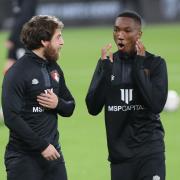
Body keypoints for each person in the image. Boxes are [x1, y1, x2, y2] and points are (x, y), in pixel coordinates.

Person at [86, 11, 168, 180]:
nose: (120, 36)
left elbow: (155, 105)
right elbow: (93, 107)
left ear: (139, 34)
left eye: (127, 30)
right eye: (116, 30)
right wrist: (105, 73)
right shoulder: (107, 64)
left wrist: (139, 66)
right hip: (120, 157)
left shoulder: (156, 64)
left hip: (150, 153)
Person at [2, 15, 75, 180]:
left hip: (54, 156)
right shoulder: (17, 73)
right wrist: (42, 146)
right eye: (58, 37)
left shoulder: (54, 68)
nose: (62, 42)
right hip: (23, 159)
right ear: (44, 41)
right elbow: (11, 118)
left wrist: (58, 103)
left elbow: (70, 106)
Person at [3, 0, 38, 74]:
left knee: (27, 71)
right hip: (18, 37)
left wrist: (11, 38)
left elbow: (25, 18)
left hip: (27, 37)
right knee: (9, 70)